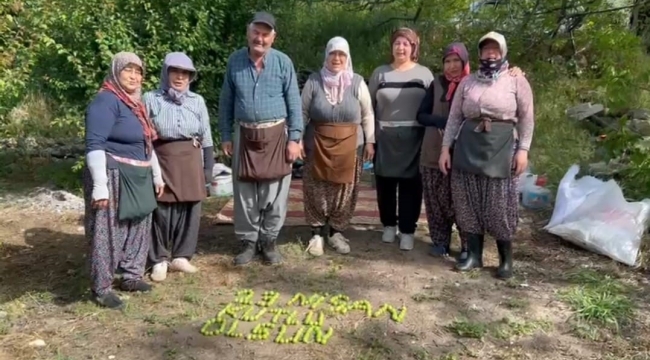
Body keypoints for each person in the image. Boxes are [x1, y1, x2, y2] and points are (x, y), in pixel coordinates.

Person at [439, 32, 534, 279]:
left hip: (501, 145)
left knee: (499, 202)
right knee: (466, 199)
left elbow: (526, 118)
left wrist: (523, 150)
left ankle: (505, 260)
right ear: (480, 53)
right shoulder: (467, 82)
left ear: (503, 52)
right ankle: (474, 255)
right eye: (486, 49)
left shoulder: (516, 80)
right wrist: (445, 149)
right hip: (468, 144)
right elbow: (454, 119)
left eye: (495, 49)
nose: (490, 53)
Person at [417, 43, 525, 260]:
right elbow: (421, 115)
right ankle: (441, 242)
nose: (451, 66)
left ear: (465, 61)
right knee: (436, 201)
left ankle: (469, 247)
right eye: (447, 61)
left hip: (469, 152)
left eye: (456, 61)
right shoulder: (437, 84)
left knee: (463, 201)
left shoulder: (476, 83)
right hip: (435, 149)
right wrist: (446, 122)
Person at [218, 11, 303, 266]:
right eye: (256, 32)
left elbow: (294, 103)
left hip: (277, 134)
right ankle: (248, 242)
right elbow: (226, 102)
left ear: (273, 37)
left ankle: (269, 241)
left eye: (266, 34)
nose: (260, 38)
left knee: (275, 191)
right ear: (249, 32)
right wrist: (225, 135)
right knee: (244, 191)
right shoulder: (235, 61)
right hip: (244, 133)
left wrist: (295, 139)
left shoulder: (283, 62)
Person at [84, 52, 165, 309]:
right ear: (116, 72)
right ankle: (102, 287)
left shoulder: (136, 105)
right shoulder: (106, 101)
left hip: (138, 173)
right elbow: (94, 143)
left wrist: (156, 174)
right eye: (127, 70)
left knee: (139, 224)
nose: (134, 76)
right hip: (113, 173)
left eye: (138, 71)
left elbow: (146, 143)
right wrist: (99, 185)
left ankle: (131, 276)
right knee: (109, 231)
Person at [300, 36, 375, 257]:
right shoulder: (314, 81)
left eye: (342, 54)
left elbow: (367, 113)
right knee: (316, 188)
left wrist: (370, 141)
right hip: (317, 145)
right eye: (333, 53)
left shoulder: (358, 82)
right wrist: (296, 139)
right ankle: (316, 233)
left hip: (351, 146)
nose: (337, 58)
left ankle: (335, 232)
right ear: (327, 55)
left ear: (347, 57)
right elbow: (302, 112)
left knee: (345, 190)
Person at [144, 52, 214, 282]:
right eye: (175, 71)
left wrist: (208, 169)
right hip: (163, 157)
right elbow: (144, 135)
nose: (180, 77)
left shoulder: (197, 101)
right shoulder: (151, 99)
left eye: (185, 73)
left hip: (191, 157)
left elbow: (206, 136)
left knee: (191, 207)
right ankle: (159, 259)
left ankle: (182, 255)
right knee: (162, 208)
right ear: (166, 73)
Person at [368, 28, 432, 251]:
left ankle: (407, 230)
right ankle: (388, 225)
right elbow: (369, 108)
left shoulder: (424, 74)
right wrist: (370, 138)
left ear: (413, 47)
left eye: (406, 43)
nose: (401, 47)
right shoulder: (380, 73)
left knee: (411, 186)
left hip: (415, 137)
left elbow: (433, 105)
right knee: (385, 183)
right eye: (397, 43)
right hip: (385, 136)